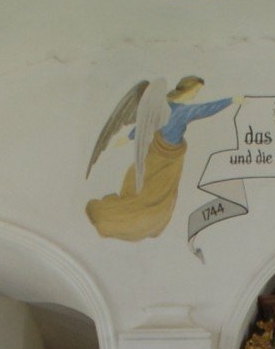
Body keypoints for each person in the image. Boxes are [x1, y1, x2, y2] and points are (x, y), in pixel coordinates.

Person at [85, 76, 234, 240]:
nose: (195, 95)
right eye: (196, 91)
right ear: (187, 89)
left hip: (157, 155)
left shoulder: (163, 105)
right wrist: (232, 100)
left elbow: (148, 124)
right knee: (156, 198)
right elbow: (205, 109)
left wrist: (129, 137)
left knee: (146, 193)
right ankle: (127, 220)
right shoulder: (181, 111)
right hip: (166, 161)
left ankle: (124, 215)